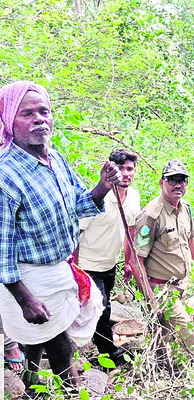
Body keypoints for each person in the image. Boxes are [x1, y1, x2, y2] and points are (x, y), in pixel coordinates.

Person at [0, 81, 122, 388]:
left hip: (58, 269)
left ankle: (29, 385)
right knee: (60, 346)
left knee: (39, 339)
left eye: (44, 111)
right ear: (8, 120)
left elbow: (78, 205)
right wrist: (24, 298)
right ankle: (72, 391)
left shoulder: (55, 159)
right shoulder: (5, 174)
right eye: (27, 113)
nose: (39, 118)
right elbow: (1, 248)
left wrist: (103, 186)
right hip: (27, 278)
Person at [135, 160, 194, 350]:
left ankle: (162, 368)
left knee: (164, 337)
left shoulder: (185, 208)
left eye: (182, 180)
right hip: (161, 289)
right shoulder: (151, 215)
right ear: (162, 182)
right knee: (190, 338)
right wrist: (151, 298)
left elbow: (191, 241)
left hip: (180, 285)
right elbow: (138, 261)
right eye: (172, 180)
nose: (178, 185)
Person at [73, 148, 141, 365]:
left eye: (129, 169)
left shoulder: (134, 197)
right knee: (99, 307)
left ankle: (95, 343)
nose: (125, 173)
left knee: (104, 306)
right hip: (88, 264)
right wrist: (73, 268)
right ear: (109, 169)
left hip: (109, 263)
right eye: (120, 168)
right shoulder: (98, 197)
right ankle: (107, 354)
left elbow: (130, 231)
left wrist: (129, 262)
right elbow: (77, 232)